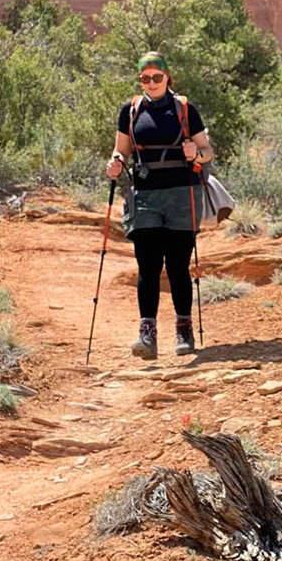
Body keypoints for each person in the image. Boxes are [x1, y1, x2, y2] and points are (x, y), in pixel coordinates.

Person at [105, 52, 214, 359]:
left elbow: (208, 152)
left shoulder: (184, 109)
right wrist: (115, 163)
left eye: (156, 77)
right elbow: (120, 151)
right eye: (145, 78)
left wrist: (196, 152)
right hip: (145, 196)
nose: (151, 83)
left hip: (182, 194)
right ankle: (147, 335)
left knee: (178, 267)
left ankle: (183, 330)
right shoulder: (130, 110)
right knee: (148, 267)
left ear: (168, 77)